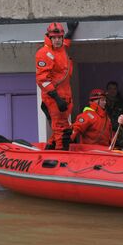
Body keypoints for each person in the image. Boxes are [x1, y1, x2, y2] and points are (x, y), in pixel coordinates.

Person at [36, 21, 79, 150]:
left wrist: (70, 32)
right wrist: (56, 98)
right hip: (54, 98)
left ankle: (50, 147)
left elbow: (65, 44)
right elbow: (42, 80)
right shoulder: (44, 53)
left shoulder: (61, 49)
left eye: (59, 37)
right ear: (49, 38)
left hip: (65, 97)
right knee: (62, 130)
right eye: (54, 38)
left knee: (60, 128)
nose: (57, 40)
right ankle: (60, 155)